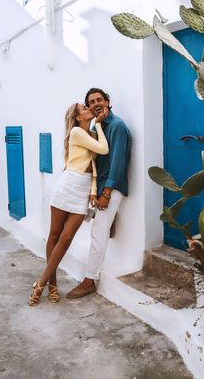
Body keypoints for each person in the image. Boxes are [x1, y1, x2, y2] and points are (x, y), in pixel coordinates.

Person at [28, 102, 109, 306]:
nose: (89, 108)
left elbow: (93, 166)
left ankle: (41, 282)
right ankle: (50, 284)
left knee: (66, 237)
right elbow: (103, 149)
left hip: (81, 191)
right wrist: (99, 124)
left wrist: (92, 191)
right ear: (79, 117)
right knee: (54, 235)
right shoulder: (76, 132)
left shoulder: (89, 135)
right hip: (67, 186)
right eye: (84, 108)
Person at [66, 88, 131, 299]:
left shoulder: (118, 126)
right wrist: (94, 191)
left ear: (107, 101)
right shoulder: (98, 125)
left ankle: (89, 281)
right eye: (91, 102)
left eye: (99, 100)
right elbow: (96, 161)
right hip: (99, 189)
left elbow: (117, 163)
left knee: (97, 234)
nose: (95, 104)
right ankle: (106, 219)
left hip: (111, 189)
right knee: (80, 219)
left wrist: (106, 193)